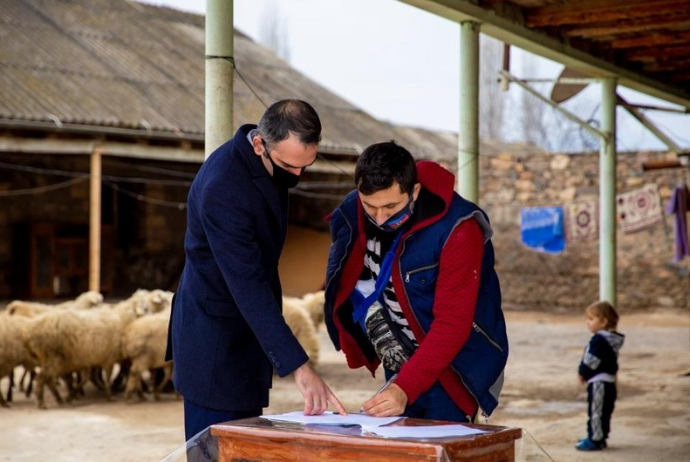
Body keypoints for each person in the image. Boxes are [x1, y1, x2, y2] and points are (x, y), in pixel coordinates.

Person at [166, 99, 346, 441]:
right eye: (289, 166)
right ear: (260, 143)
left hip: (245, 339)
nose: (296, 176)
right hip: (215, 342)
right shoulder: (224, 187)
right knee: (216, 451)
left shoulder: (269, 161)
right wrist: (300, 367)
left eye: (305, 167)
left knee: (246, 447)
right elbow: (246, 282)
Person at [323, 141, 508, 423]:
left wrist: (405, 388)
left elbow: (452, 324)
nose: (380, 218)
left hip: (452, 371)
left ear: (415, 192)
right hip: (399, 362)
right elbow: (344, 279)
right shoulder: (353, 211)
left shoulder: (460, 230)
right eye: (370, 207)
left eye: (391, 207)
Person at [575, 300, 624, 451]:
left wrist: (582, 372)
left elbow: (591, 360)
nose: (587, 323)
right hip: (608, 382)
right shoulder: (612, 339)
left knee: (596, 411)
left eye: (591, 319)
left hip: (598, 382)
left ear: (603, 322)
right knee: (604, 411)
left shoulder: (599, 340)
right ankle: (600, 436)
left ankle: (594, 440)